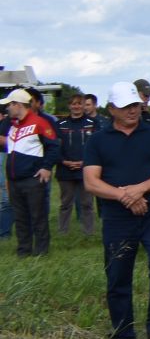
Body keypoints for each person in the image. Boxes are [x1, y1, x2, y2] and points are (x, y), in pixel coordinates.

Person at [83, 82, 150, 339]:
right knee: (117, 269)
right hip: (116, 214)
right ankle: (122, 328)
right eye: (125, 106)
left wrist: (141, 189)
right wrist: (125, 196)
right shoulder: (98, 140)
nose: (132, 110)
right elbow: (91, 181)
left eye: (135, 105)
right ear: (112, 109)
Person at [4, 88, 60, 257]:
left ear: (18, 104)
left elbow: (54, 146)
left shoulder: (40, 123)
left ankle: (41, 252)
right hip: (15, 180)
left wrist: (46, 167)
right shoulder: (13, 126)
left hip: (32, 179)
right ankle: (23, 250)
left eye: (9, 105)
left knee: (38, 216)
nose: (7, 108)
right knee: (20, 217)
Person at [55, 93, 100, 236]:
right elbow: (54, 147)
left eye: (79, 103)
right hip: (65, 169)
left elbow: (96, 146)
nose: (76, 106)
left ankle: (89, 233)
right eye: (73, 104)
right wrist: (64, 161)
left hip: (86, 169)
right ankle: (63, 232)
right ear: (69, 106)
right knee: (65, 204)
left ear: (83, 105)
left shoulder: (92, 123)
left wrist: (85, 162)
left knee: (87, 203)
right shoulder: (60, 124)